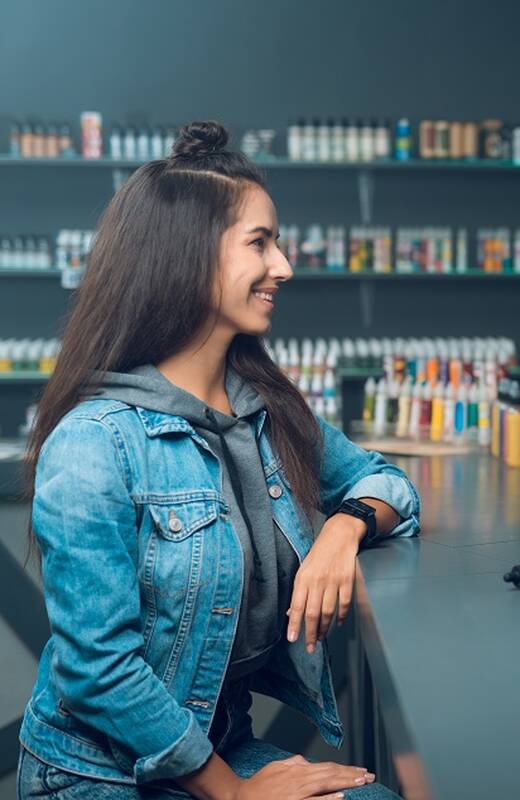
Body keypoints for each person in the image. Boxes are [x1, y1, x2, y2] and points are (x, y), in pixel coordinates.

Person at [18, 121, 419, 799]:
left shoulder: (265, 410)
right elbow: (97, 671)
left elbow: (388, 482)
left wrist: (342, 530)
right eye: (259, 243)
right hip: (98, 775)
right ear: (187, 256)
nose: (284, 266)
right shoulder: (94, 443)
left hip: (218, 747)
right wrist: (233, 793)